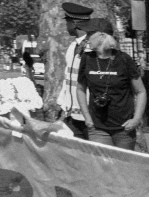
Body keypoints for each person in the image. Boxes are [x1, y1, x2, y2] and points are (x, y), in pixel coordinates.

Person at [77, 25, 147, 150]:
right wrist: (87, 117)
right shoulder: (87, 59)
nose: (87, 39)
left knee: (122, 167)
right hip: (97, 128)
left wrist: (136, 119)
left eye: (90, 35)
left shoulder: (124, 59)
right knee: (103, 167)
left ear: (102, 38)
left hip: (124, 128)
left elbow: (141, 91)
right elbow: (80, 89)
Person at [54, 2, 94, 139]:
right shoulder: (72, 46)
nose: (66, 26)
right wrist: (62, 103)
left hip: (89, 116)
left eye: (68, 22)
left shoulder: (92, 46)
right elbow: (68, 78)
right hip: (72, 115)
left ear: (75, 23)